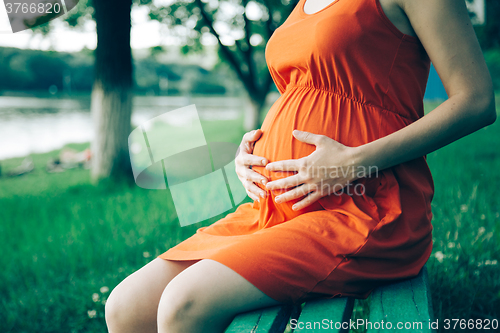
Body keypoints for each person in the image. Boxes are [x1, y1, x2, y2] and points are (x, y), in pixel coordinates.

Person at [105, 0, 496, 332]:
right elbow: (305, 94)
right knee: (125, 307)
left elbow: (476, 101)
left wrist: (352, 163)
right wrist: (254, 149)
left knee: (183, 304)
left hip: (366, 208)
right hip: (277, 208)